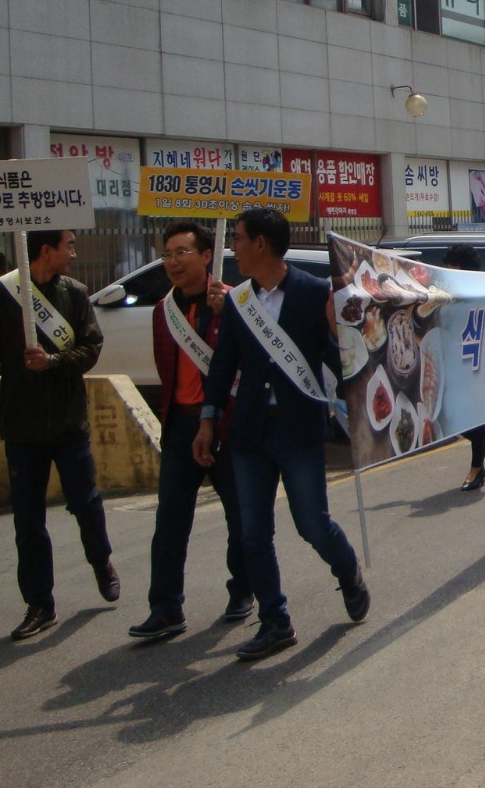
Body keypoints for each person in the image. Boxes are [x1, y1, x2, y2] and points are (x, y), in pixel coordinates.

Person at [192, 208, 368, 662]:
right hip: (250, 431)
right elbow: (223, 364)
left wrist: (340, 338)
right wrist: (208, 419)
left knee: (312, 524)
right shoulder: (239, 300)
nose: (233, 247)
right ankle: (275, 621)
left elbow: (338, 359)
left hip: (298, 428)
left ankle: (348, 570)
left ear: (261, 244)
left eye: (239, 238)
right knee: (253, 533)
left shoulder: (314, 292)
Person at [0, 229, 117, 641]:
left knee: (85, 503)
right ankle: (39, 603)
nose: (74, 253)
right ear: (46, 250)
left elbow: (91, 348)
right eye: (69, 246)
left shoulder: (75, 294)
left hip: (68, 422)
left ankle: (101, 560)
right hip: (22, 426)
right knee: (28, 520)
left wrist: (53, 361)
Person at [129, 222, 252, 642]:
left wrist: (227, 314)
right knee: (170, 520)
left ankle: (243, 589)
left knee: (241, 515)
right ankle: (165, 607)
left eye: (182, 252)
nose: (173, 262)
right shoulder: (162, 311)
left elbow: (252, 362)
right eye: (167, 254)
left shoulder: (235, 302)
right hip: (180, 426)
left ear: (206, 256)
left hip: (227, 425)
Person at [445, 244, 485, 492]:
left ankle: (476, 468)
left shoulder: (482, 291)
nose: (449, 271)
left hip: (478, 362)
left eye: (453, 267)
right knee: (449, 417)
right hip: (452, 362)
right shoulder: (447, 291)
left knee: (471, 414)